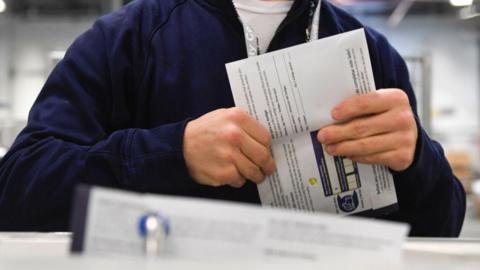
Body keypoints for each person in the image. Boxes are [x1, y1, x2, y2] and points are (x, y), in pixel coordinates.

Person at [0, 0, 465, 236]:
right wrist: (172, 153)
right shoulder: (128, 38)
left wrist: (416, 161)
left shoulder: (370, 53)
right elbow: (17, 191)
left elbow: (441, 228)